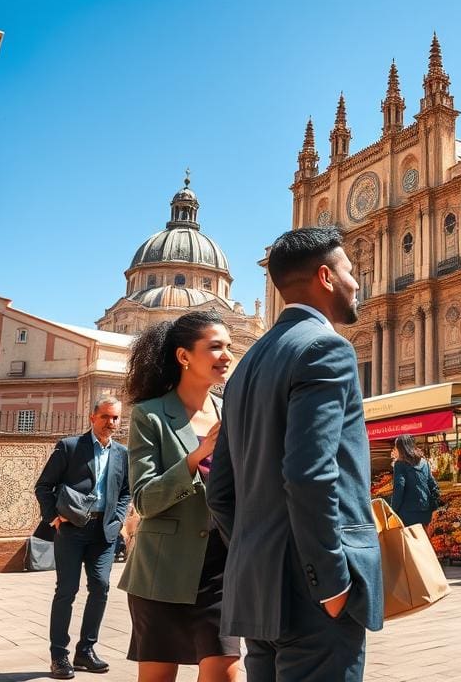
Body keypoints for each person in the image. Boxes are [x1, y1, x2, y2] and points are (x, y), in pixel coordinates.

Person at [208, 226, 382, 682]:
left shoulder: (246, 365)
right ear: (325, 277)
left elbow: (220, 492)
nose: (357, 281)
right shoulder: (326, 349)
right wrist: (331, 580)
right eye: (350, 270)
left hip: (257, 588)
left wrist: (260, 550)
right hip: (313, 596)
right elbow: (309, 473)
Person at [117, 310, 240, 682]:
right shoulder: (149, 416)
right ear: (184, 356)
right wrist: (197, 455)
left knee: (226, 672)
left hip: (221, 570)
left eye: (229, 347)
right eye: (215, 347)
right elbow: (145, 500)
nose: (227, 356)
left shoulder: (231, 412)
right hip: (162, 573)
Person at [34, 396, 130, 679]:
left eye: (115, 418)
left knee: (100, 587)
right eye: (105, 417)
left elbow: (125, 491)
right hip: (72, 531)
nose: (110, 423)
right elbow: (44, 486)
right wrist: (53, 517)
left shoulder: (121, 453)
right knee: (67, 591)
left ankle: (85, 651)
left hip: (104, 532)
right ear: (92, 417)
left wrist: (118, 517)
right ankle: (58, 655)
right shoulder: (70, 446)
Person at [390, 434, 439, 528]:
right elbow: (432, 484)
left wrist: (393, 510)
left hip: (408, 513)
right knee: (425, 540)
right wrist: (434, 507)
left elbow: (399, 488)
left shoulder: (400, 464)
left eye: (396, 447)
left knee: (411, 541)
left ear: (401, 449)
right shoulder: (424, 462)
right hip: (426, 511)